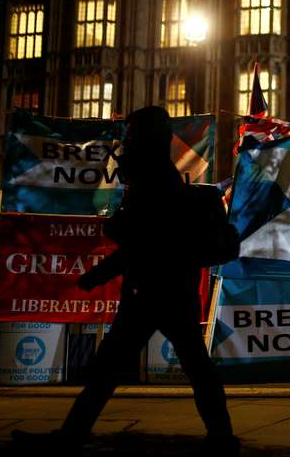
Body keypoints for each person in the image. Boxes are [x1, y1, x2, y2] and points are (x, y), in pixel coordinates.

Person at [13, 106, 239, 454]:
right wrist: (100, 272)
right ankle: (222, 437)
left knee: (123, 368)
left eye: (132, 134)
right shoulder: (156, 176)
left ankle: (72, 436)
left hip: (157, 291)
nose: (127, 141)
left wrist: (111, 243)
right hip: (163, 289)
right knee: (182, 366)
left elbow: (146, 239)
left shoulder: (155, 179)